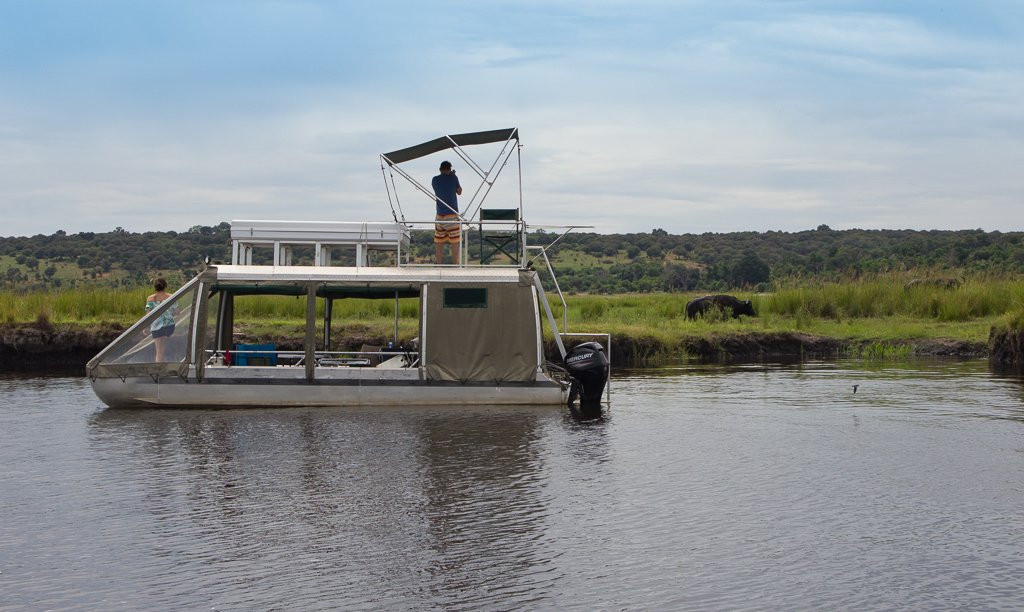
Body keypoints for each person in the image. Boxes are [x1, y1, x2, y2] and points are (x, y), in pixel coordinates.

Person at [431, 160, 463, 264]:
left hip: (440, 216)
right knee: (454, 242)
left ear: (440, 169)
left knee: (439, 242)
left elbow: (441, 188)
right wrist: (453, 176)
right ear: (449, 169)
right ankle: (455, 265)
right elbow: (459, 192)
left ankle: (438, 265)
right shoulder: (453, 178)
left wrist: (450, 176)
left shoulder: (434, 180)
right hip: (452, 214)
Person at [145, 277, 175, 362]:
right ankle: (162, 366)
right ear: (165, 286)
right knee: (162, 348)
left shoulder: (150, 299)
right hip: (169, 326)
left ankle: (159, 369)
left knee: (159, 351)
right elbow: (177, 311)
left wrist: (145, 327)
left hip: (156, 327)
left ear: (155, 287)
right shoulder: (171, 297)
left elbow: (148, 315)